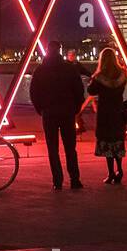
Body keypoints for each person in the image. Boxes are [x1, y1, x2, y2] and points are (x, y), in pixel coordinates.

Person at [28, 40, 85, 191]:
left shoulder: (40, 70)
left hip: (49, 113)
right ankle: (74, 179)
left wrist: (40, 109)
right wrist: (76, 108)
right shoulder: (69, 68)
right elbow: (79, 90)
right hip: (67, 112)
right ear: (60, 50)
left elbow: (34, 92)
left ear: (47, 50)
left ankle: (57, 181)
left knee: (52, 148)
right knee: (70, 148)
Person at [86, 47, 127, 183]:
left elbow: (91, 91)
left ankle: (110, 173)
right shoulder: (122, 74)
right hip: (118, 111)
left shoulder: (99, 77)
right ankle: (119, 169)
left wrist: (92, 80)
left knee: (107, 142)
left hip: (105, 112)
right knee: (117, 141)